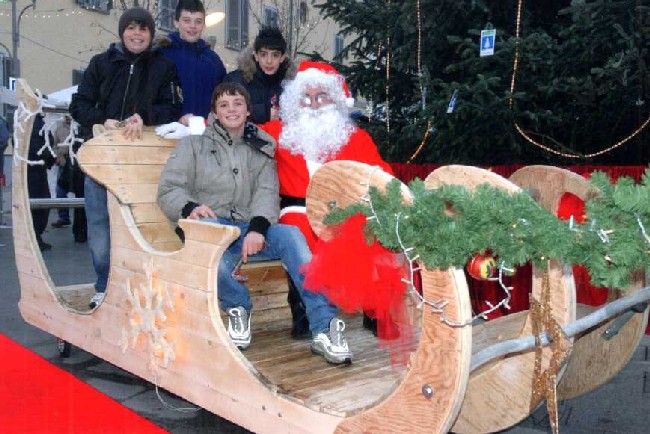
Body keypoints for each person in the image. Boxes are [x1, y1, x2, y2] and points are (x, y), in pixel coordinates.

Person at [157, 82, 353, 365]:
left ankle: (324, 327)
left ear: (248, 110)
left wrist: (259, 228)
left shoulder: (261, 147)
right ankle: (238, 308)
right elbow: (169, 189)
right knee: (214, 258)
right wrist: (190, 207)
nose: (231, 110)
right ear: (214, 112)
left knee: (290, 236)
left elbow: (266, 192)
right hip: (208, 226)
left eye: (237, 103)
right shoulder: (193, 145)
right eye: (223, 105)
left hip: (247, 226)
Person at [260, 61, 394, 337]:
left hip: (343, 210)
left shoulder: (355, 138)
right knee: (299, 236)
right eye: (306, 98)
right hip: (296, 208)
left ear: (334, 100)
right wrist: (196, 123)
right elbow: (236, 128)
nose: (313, 104)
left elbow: (381, 175)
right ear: (295, 102)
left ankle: (375, 308)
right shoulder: (277, 133)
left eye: (321, 97)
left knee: (365, 233)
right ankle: (305, 310)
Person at [69, 7, 182, 308]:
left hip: (142, 163)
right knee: (100, 225)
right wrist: (102, 119)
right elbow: (78, 105)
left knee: (143, 224)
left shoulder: (164, 67)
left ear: (150, 34)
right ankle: (103, 286)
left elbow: (172, 107)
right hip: (101, 161)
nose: (136, 34)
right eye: (131, 28)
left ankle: (142, 285)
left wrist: (143, 117)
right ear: (122, 32)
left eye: (142, 29)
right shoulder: (100, 64)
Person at [159, 0, 226, 125]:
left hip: (206, 134)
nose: (192, 26)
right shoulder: (162, 55)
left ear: (204, 25)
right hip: (169, 132)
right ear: (176, 23)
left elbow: (223, 98)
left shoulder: (213, 61)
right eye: (187, 20)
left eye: (198, 21)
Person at [223, 26, 296, 124]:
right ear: (256, 56)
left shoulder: (291, 85)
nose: (269, 61)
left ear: (282, 57)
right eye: (263, 54)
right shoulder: (236, 81)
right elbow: (225, 112)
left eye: (275, 55)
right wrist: (265, 113)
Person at [28, 115, 56, 251]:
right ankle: (35, 237)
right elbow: (44, 145)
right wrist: (48, 159)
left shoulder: (27, 121)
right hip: (36, 169)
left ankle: (34, 236)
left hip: (31, 168)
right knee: (40, 204)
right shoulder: (36, 123)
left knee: (37, 204)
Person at [51, 116, 71, 229]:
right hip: (63, 163)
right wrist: (57, 157)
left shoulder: (79, 126)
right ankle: (64, 217)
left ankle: (83, 221)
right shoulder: (59, 128)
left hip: (78, 164)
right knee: (60, 190)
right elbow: (54, 145)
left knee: (81, 192)